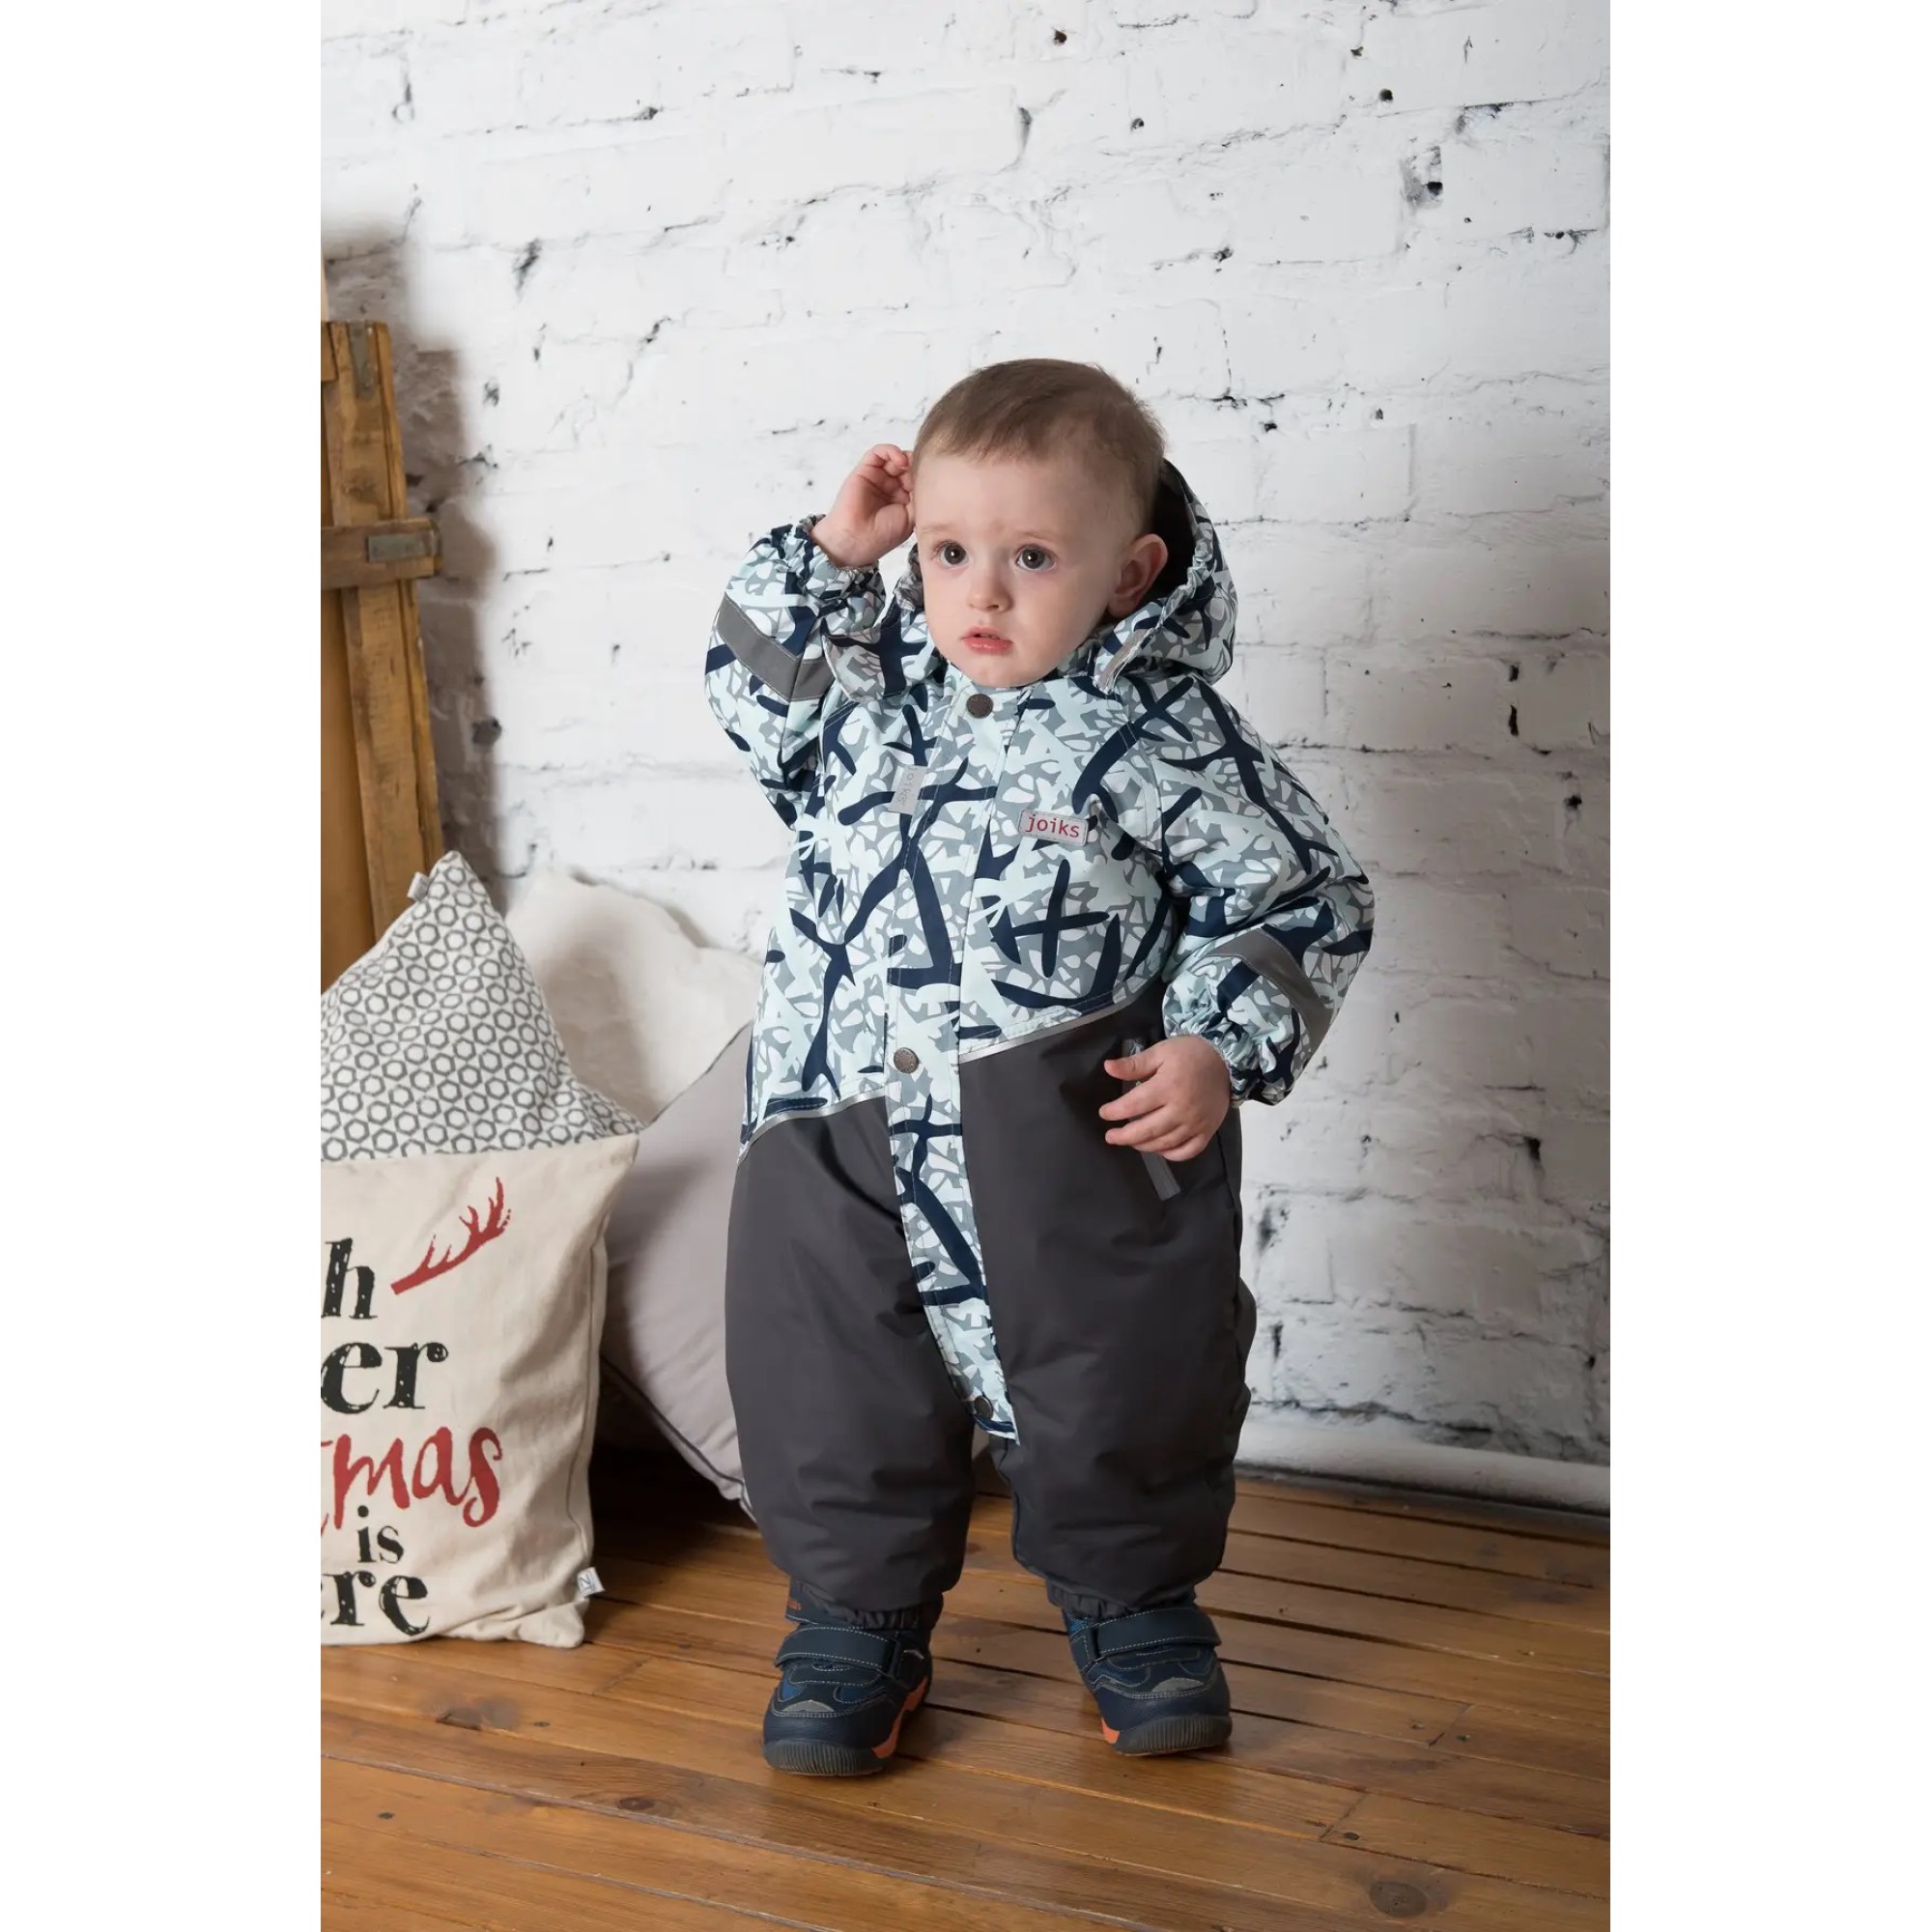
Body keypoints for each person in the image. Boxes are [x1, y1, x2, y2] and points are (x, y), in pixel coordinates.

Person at [703, 357, 1375, 1776]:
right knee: (829, 1376)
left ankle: (1134, 1604)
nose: (983, 596)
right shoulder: (863, 697)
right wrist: (832, 555)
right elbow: (752, 696)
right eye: (950, 553)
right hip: (836, 1125)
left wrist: (1217, 1043)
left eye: (1031, 558)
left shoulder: (1160, 737)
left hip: (1069, 1133)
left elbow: (1304, 898)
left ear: (1129, 574)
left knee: (1124, 1373)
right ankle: (853, 1620)